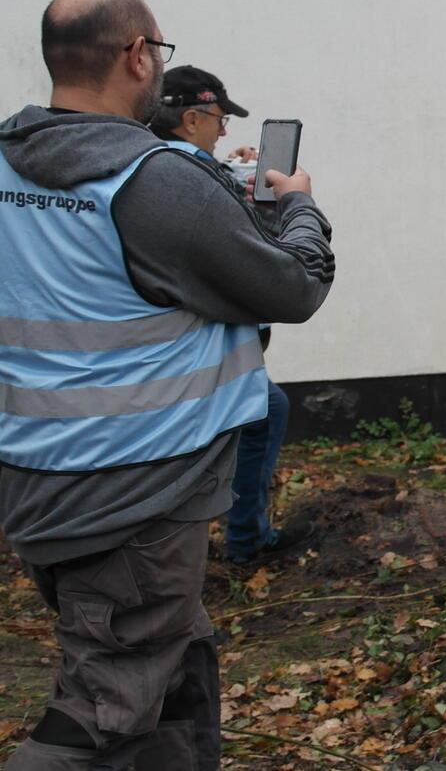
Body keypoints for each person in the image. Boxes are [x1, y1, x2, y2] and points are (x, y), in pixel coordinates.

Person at [0, 0, 336, 770]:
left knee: (176, 668)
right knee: (103, 711)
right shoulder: (155, 179)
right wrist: (299, 207)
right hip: (138, 501)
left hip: (35, 494)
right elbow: (292, 286)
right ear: (138, 56)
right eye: (158, 51)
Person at [150, 65, 316, 566]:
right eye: (220, 121)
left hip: (169, 349)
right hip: (192, 351)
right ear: (192, 119)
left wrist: (233, 175)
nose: (225, 132)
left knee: (266, 408)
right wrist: (297, 203)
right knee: (262, 411)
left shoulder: (156, 168)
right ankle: (242, 541)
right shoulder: (191, 181)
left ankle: (233, 537)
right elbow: (285, 278)